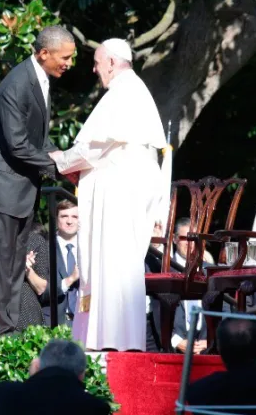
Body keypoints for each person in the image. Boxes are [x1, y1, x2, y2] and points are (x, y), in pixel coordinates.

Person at [49, 38, 167, 351]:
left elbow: (96, 146)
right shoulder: (132, 91)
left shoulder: (124, 92)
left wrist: (61, 159)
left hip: (118, 196)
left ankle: (111, 339)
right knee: (113, 266)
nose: (94, 68)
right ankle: (109, 337)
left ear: (112, 62)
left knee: (112, 265)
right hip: (123, 192)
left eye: (98, 62)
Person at [0, 25, 76, 337]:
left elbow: (37, 140)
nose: (69, 63)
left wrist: (66, 159)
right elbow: (17, 144)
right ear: (44, 53)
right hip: (2, 186)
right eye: (65, 57)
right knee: (1, 265)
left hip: (20, 188)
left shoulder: (41, 79)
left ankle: (10, 329)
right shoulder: (16, 84)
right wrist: (57, 165)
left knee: (14, 263)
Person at [0, 340, 111, 415]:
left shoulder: (7, 395)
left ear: (36, 366)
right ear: (82, 375)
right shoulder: (94, 407)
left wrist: (33, 377)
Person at [40, 200, 80, 327]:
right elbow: (39, 291)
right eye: (64, 216)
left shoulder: (91, 249)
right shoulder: (44, 248)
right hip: (52, 323)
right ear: (56, 219)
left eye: (75, 216)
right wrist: (70, 280)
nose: (69, 221)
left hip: (86, 323)